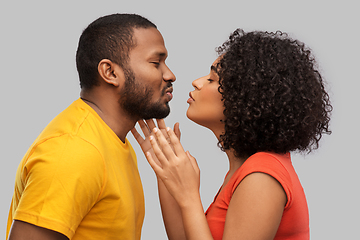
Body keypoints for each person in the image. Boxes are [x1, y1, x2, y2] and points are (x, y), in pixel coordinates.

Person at [132, 29, 332, 239]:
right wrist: (165, 168)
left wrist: (190, 196)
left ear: (245, 99)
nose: (197, 82)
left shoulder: (263, 176)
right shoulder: (246, 171)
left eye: (212, 79)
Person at [6, 13, 176, 240]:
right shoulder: (73, 151)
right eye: (156, 63)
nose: (170, 74)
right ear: (110, 72)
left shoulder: (114, 142)